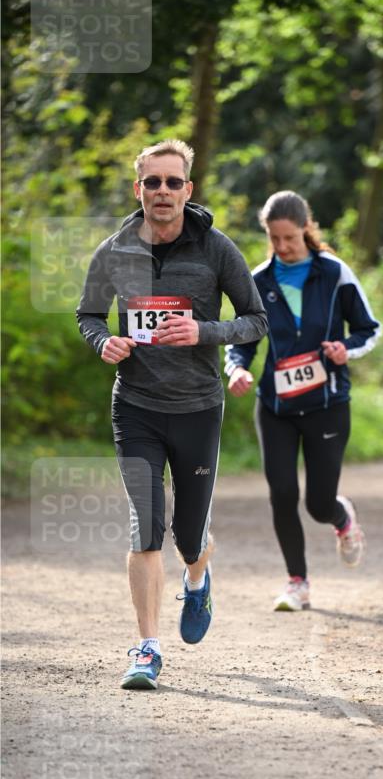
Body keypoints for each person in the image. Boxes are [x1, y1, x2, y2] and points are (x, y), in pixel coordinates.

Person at [76, 139, 268, 689]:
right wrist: (103, 342)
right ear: (138, 189)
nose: (163, 191)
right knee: (145, 527)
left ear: (189, 189)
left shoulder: (216, 249)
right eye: (152, 182)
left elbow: (255, 319)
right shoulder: (113, 251)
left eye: (173, 182)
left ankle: (199, 577)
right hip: (135, 406)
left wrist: (203, 331)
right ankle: (146, 649)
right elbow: (88, 313)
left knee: (188, 533)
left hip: (198, 408)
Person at [225, 190, 381, 611]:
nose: (282, 247)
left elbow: (370, 329)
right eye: (274, 239)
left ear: (306, 229)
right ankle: (297, 583)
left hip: (326, 404)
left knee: (317, 503)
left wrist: (345, 349)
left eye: (289, 238)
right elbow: (243, 341)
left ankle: (342, 519)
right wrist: (236, 368)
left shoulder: (334, 274)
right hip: (275, 406)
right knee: (281, 493)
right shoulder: (258, 281)